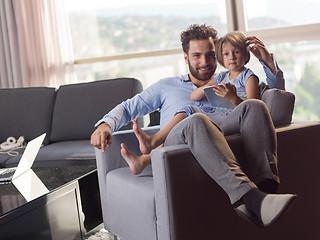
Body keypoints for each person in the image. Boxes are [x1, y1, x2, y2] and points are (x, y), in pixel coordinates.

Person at [91, 24, 296, 228]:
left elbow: (277, 102)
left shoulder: (235, 81)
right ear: (186, 57)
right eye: (197, 56)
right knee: (197, 120)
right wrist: (106, 124)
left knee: (255, 106)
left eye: (209, 55)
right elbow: (128, 108)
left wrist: (268, 63)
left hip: (225, 142)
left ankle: (266, 189)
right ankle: (250, 198)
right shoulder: (167, 86)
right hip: (178, 146)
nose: (204, 62)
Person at [120, 31, 261, 174]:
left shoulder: (248, 77)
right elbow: (194, 96)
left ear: (246, 54)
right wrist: (207, 87)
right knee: (187, 111)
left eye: (236, 52)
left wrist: (232, 98)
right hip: (218, 115)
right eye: (226, 54)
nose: (232, 57)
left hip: (232, 118)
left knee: (194, 118)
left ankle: (151, 144)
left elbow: (252, 109)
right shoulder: (221, 77)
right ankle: (144, 156)